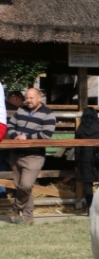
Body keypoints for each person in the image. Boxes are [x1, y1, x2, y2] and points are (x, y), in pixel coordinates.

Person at [7, 87, 56, 224]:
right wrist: (15, 136)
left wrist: (26, 137)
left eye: (31, 98)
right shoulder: (21, 110)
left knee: (26, 186)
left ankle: (16, 208)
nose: (28, 100)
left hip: (34, 155)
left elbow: (46, 135)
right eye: (26, 97)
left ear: (39, 98)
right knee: (20, 187)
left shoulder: (48, 114)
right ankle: (27, 217)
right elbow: (10, 125)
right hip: (16, 153)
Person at [74, 107, 99, 212]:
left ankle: (90, 208)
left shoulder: (80, 129)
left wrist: (77, 161)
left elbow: (77, 147)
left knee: (87, 184)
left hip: (85, 158)